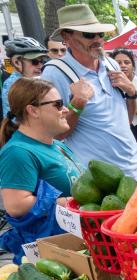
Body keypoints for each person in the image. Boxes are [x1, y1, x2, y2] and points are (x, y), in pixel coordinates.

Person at [42, 4, 137, 178]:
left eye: (101, 34)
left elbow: (126, 120)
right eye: (89, 35)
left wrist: (132, 93)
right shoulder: (56, 72)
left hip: (136, 168)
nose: (97, 39)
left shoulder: (110, 64)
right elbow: (56, 135)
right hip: (99, 179)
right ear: (67, 37)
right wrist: (78, 104)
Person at [0, 78, 82, 260]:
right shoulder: (18, 152)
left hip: (71, 246)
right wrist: (73, 202)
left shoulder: (56, 144)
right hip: (51, 256)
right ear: (33, 110)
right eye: (58, 104)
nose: (66, 109)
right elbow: (16, 206)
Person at [2, 38, 48, 118]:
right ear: (17, 62)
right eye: (35, 62)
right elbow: (15, 121)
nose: (40, 66)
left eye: (42, 61)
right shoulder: (14, 86)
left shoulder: (28, 81)